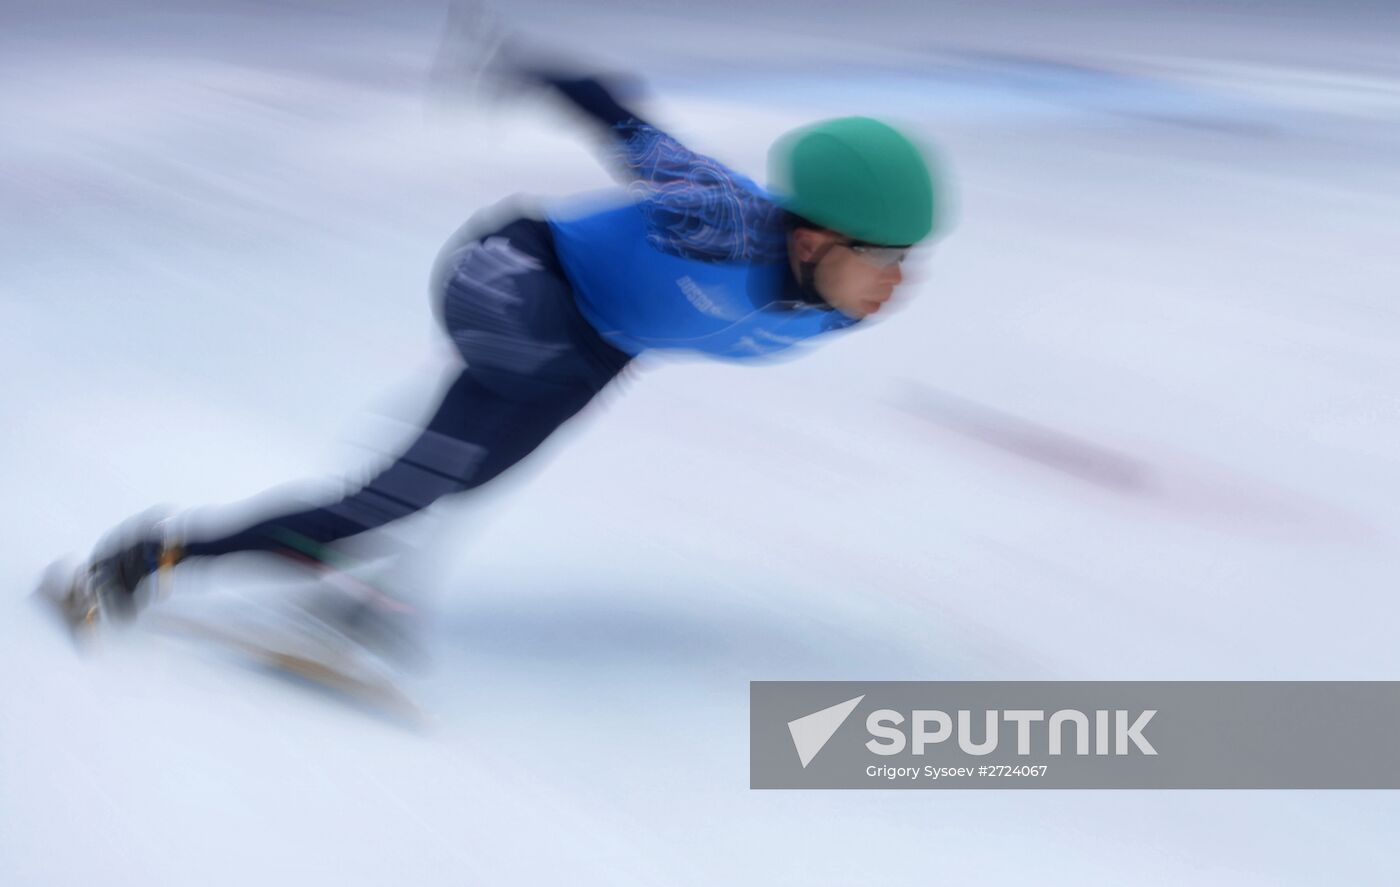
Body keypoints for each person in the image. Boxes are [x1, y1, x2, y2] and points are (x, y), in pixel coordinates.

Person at [47, 58, 944, 639]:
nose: (895, 285)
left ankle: (182, 554)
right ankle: (231, 569)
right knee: (472, 435)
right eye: (883, 258)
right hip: (513, 270)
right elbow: (629, 129)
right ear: (811, 240)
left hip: (596, 343)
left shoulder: (833, 307)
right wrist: (526, 69)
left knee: (416, 493)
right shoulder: (721, 218)